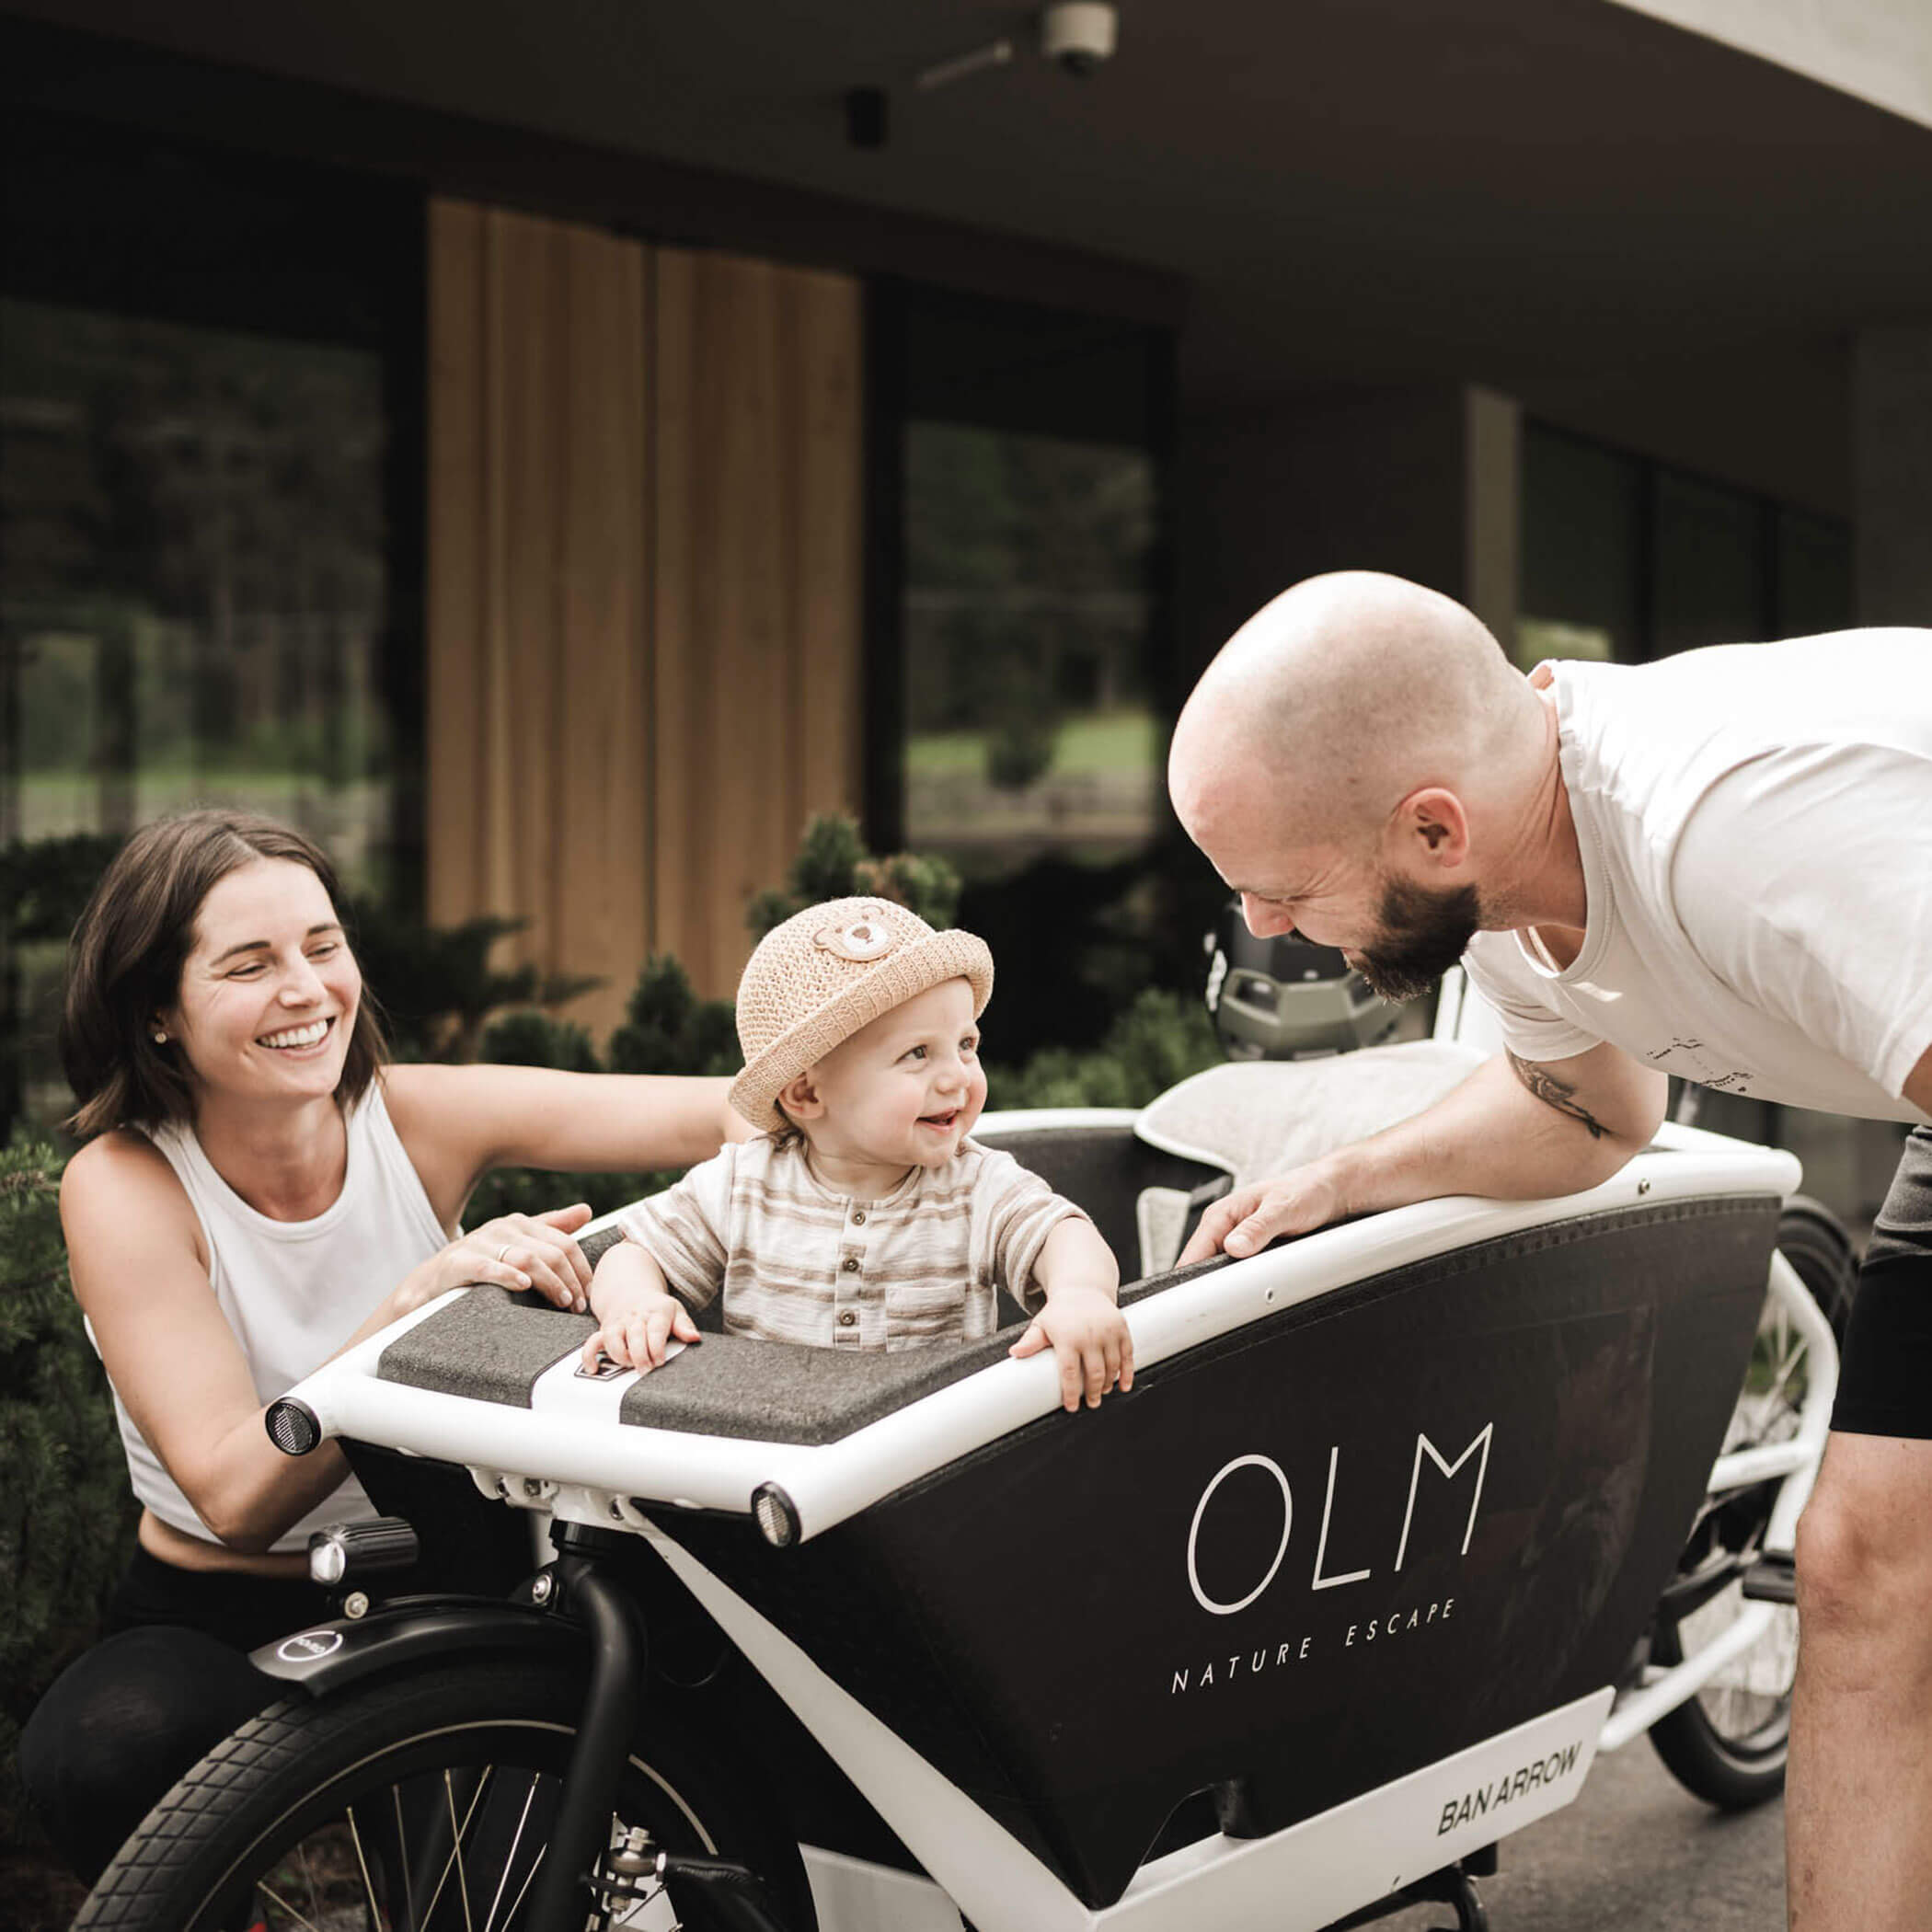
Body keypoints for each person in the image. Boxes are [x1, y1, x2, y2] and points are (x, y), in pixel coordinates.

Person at [1165, 569, 1932, 1932]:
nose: (1267, 929)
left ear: (1433, 828)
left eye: (1280, 889)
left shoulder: (1738, 833)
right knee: (1866, 1566)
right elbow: (1585, 1109)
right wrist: (1346, 1177)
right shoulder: (1515, 880)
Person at [18, 809, 749, 1885]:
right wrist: (415, 1305)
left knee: (501, 1883)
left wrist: (902, 1093)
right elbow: (233, 1490)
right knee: (97, 1756)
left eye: (323, 946)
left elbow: (738, 1115)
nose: (307, 989)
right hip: (220, 1600)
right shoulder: (124, 1183)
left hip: (451, 1569)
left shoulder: (414, 1116)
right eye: (249, 965)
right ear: (158, 1011)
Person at [585, 895, 1134, 1413]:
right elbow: (633, 1254)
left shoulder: (975, 1186)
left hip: (925, 1450)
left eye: (966, 1045)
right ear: (806, 1094)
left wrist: (1081, 1295)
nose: (957, 1077)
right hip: (770, 1447)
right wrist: (633, 1305)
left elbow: (1063, 1233)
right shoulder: (742, 1185)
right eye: (917, 1054)